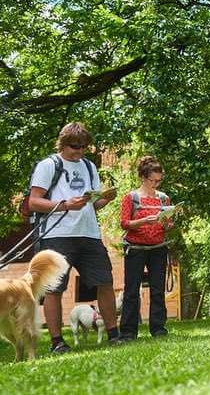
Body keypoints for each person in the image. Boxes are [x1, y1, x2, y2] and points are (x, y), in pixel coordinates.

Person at [27, 122, 120, 353]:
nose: (79, 151)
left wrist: (105, 199)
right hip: (57, 235)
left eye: (83, 147)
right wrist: (65, 205)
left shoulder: (89, 166)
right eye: (74, 146)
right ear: (63, 143)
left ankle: (114, 335)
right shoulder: (49, 165)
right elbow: (34, 201)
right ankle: (57, 341)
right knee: (54, 289)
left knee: (105, 282)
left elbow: (92, 204)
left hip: (89, 233)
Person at [118, 156, 172, 340]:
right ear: (143, 177)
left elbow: (168, 224)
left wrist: (166, 223)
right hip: (135, 248)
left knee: (158, 290)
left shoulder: (163, 199)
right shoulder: (131, 198)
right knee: (131, 290)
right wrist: (142, 221)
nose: (155, 184)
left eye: (158, 180)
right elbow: (124, 223)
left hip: (158, 247)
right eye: (152, 180)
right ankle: (128, 331)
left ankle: (158, 329)